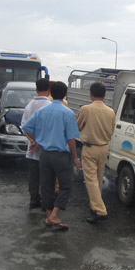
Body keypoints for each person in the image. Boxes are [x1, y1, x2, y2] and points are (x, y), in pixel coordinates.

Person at [22, 82, 81, 230]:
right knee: (66, 186)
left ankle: (49, 217)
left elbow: (26, 127)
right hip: (61, 155)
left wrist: (36, 141)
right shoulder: (67, 113)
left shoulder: (42, 111)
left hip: (45, 155)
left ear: (51, 94)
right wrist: (75, 157)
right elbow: (71, 138)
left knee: (46, 186)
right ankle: (54, 216)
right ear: (65, 94)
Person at [76, 82, 116, 223]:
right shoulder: (110, 111)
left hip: (90, 147)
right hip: (104, 147)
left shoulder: (86, 109)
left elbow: (78, 126)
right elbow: (111, 131)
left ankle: (100, 210)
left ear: (91, 95)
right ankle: (94, 206)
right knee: (98, 178)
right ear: (104, 95)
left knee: (90, 179)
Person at [21, 78, 51, 209]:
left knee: (33, 175)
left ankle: (34, 199)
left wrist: (33, 141)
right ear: (49, 90)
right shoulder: (50, 105)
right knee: (46, 177)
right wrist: (40, 143)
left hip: (32, 148)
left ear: (36, 89)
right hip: (47, 149)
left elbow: (24, 126)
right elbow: (50, 128)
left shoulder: (29, 106)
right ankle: (46, 201)